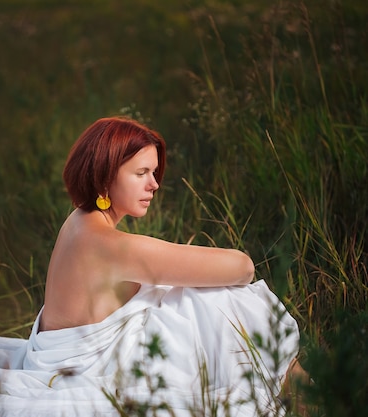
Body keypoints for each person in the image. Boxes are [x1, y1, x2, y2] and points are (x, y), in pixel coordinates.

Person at [22, 116, 307, 415]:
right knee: (221, 299)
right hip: (81, 370)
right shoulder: (108, 246)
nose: (154, 184)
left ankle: (299, 390)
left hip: (58, 358)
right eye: (141, 172)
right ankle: (303, 395)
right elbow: (244, 267)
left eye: (154, 172)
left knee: (196, 300)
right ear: (105, 175)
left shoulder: (80, 220)